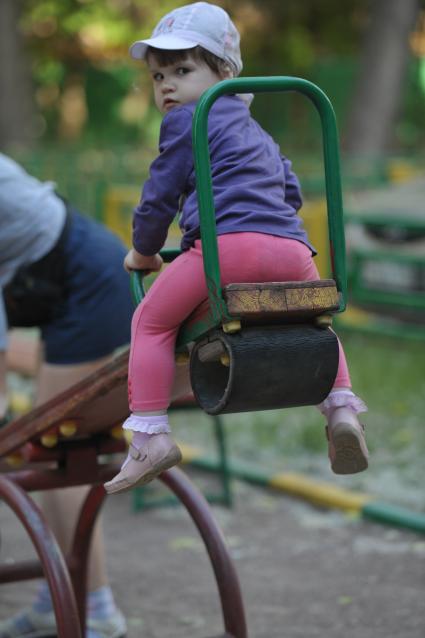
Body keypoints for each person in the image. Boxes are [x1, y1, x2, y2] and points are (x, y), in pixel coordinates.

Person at [104, 1, 369, 496]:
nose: (167, 86)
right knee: (315, 320)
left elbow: (159, 196)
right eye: (158, 75)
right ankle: (341, 407)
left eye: (182, 70)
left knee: (151, 322)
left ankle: (149, 435)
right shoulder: (258, 131)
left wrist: (143, 252)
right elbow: (290, 191)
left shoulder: (187, 121)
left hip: (226, 251)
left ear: (224, 71)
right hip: (295, 253)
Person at [0, 152, 130, 638]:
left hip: (88, 282)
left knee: (56, 448)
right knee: (49, 448)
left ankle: (95, 608)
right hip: (53, 286)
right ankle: (57, 597)